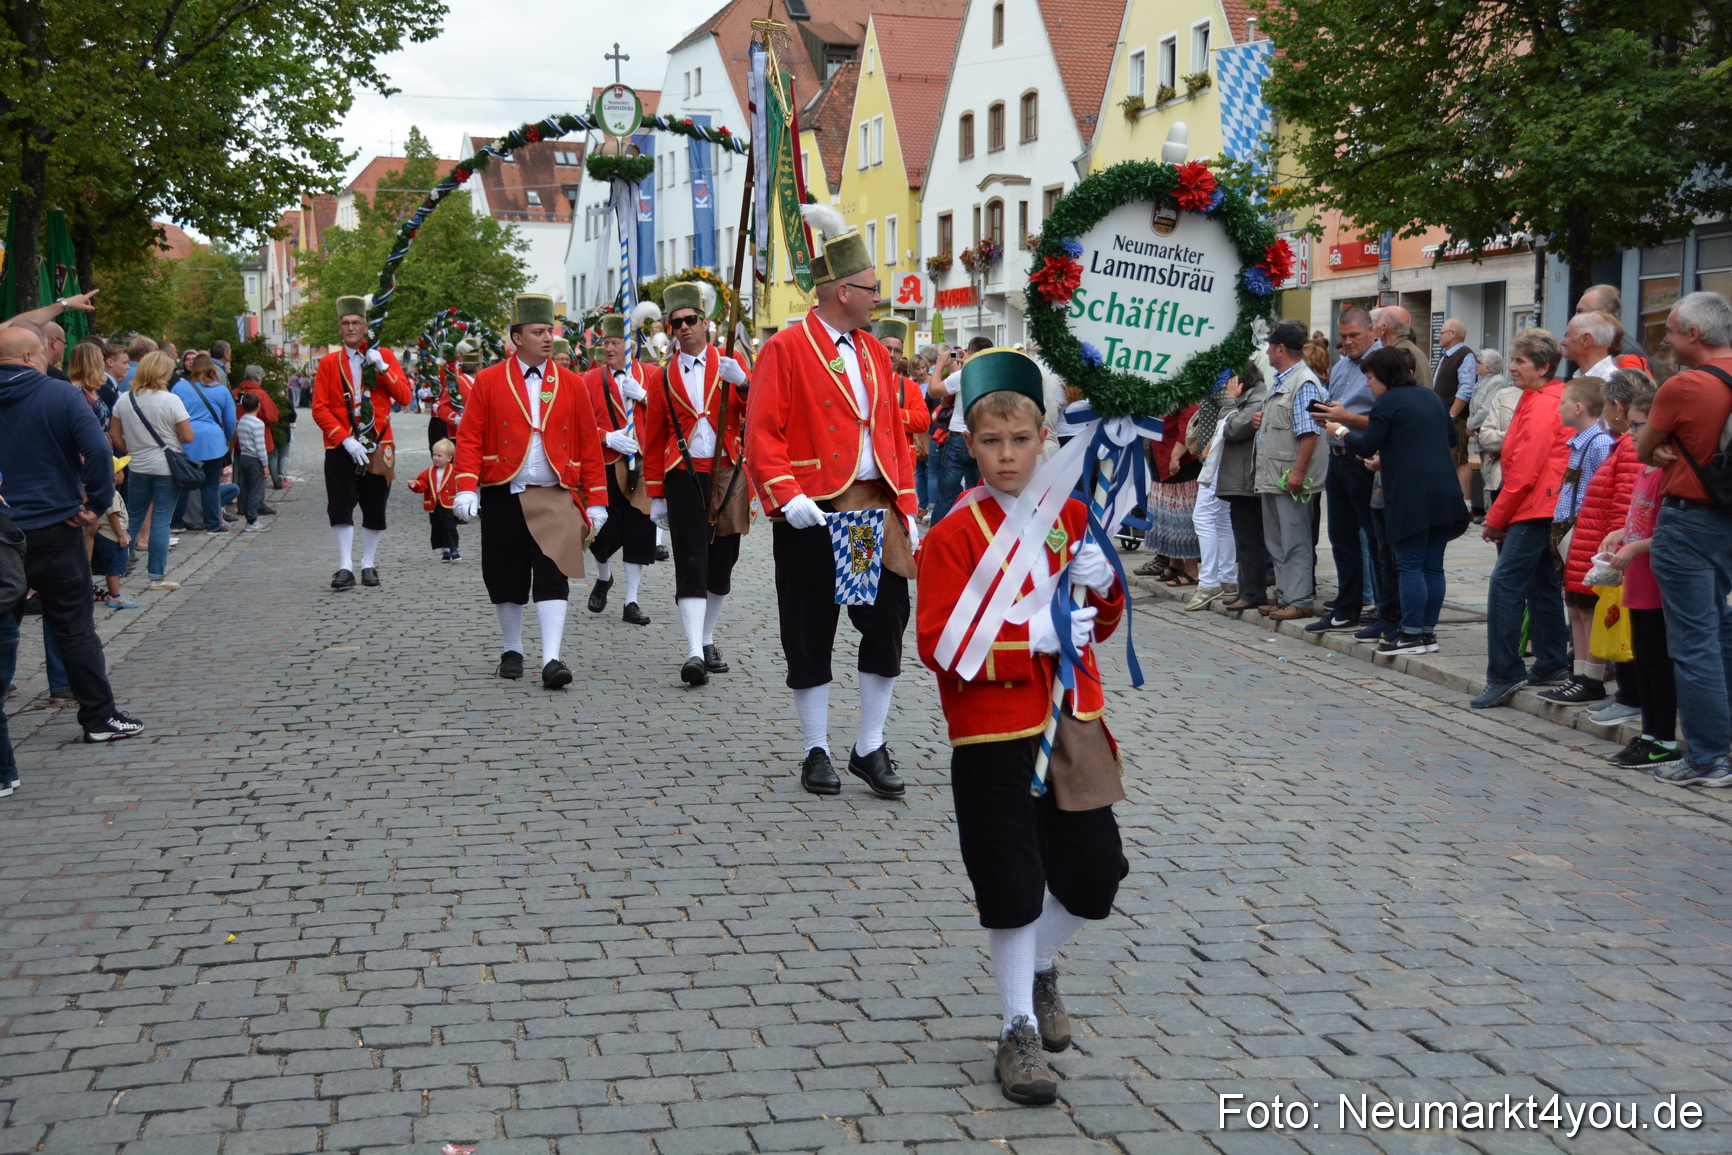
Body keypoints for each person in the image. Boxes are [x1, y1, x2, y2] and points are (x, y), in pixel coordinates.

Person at [914, 349, 1128, 1106]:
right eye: (991, 442)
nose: (1007, 456)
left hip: (1070, 721)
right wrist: (1025, 641)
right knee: (1010, 883)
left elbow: (1092, 623)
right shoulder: (951, 535)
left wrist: (1103, 593)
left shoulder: (1071, 516)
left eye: (1021, 440)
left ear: (1045, 439)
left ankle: (1038, 966)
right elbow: (940, 643)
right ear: (970, 446)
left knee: (1097, 872)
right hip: (991, 731)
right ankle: (1016, 1028)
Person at [744, 221, 918, 799]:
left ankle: (869, 744)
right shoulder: (784, 348)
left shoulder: (875, 353)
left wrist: (907, 503)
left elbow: (891, 434)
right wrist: (785, 494)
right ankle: (814, 747)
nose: (879, 299)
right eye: (871, 288)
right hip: (812, 510)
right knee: (809, 627)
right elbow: (762, 431)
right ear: (842, 290)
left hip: (869, 508)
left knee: (886, 620)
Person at [452, 293, 608, 690]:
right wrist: (466, 487)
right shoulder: (488, 381)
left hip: (556, 493)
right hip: (503, 491)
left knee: (553, 573)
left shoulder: (571, 384)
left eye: (549, 331)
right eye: (538, 331)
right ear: (516, 337)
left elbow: (590, 446)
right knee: (505, 574)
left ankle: (552, 658)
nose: (547, 338)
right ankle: (512, 648)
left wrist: (597, 500)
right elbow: (469, 438)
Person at [0, 326, 144, 743]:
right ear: (30, 357)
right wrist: (95, 505)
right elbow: (101, 451)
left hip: (3, 530)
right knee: (74, 626)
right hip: (55, 527)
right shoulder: (59, 393)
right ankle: (99, 717)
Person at [1635, 290, 1732, 785]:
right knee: (1722, 630)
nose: (1667, 341)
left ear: (1694, 335)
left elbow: (1641, 446)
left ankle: (1709, 757)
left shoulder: (1685, 385)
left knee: (1694, 642)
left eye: (1671, 331)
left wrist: (1663, 445)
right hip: (1728, 516)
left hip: (1690, 517)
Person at [1321, 346, 1463, 655]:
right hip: (1445, 493)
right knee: (1432, 566)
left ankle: (1411, 634)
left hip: (1412, 496)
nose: (1368, 384)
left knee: (1410, 565)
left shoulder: (1388, 402)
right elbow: (1450, 439)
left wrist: (1340, 430)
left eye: (1370, 377)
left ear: (1385, 376)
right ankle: (1426, 633)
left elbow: (1366, 444)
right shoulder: (1431, 397)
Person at [645, 285, 753, 682]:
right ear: (669, 329)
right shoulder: (662, 377)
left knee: (723, 564)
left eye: (691, 320)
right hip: (682, 473)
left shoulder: (730, 362)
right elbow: (653, 436)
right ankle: (693, 651)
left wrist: (743, 382)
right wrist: (655, 494)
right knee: (691, 560)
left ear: (705, 322)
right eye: (677, 323)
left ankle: (707, 636)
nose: (685, 327)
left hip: (728, 472)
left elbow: (759, 410)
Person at [1472, 329, 1572, 708]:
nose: (1511, 367)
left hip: (1537, 506)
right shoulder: (1541, 397)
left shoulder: (1545, 403)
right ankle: (1550, 661)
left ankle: (1505, 671)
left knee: (1505, 586)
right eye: (1513, 360)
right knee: (1540, 584)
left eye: (1520, 362)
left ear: (1543, 367)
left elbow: (1525, 471)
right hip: (1542, 503)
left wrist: (1495, 518)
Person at [1555, 370, 1653, 722]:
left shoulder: (1627, 445)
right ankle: (1609, 686)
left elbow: (1626, 500)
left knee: (1614, 621)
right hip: (1600, 538)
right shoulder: (1622, 442)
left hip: (1611, 544)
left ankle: (1624, 693)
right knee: (1591, 614)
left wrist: (1616, 541)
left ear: (1616, 406)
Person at [1598, 393, 1679, 766]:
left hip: (1657, 579)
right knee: (1643, 657)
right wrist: (1620, 534)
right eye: (1628, 424)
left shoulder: (1668, 471)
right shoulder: (1645, 469)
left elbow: (1669, 531)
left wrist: (1636, 547)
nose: (1629, 433)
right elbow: (1639, 518)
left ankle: (1663, 738)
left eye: (1637, 425)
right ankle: (1648, 734)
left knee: (1658, 660)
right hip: (1637, 580)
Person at [312, 295, 413, 589]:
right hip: (340, 446)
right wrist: (344, 439)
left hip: (379, 443)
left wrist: (382, 367)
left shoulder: (385, 356)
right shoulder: (330, 363)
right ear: (339, 328)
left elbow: (405, 398)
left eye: (356, 322)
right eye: (345, 323)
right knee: (340, 504)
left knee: (375, 505)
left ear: (365, 326)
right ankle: (345, 565)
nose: (351, 327)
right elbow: (319, 407)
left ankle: (368, 562)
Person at [1538, 376, 1616, 705]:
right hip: (1571, 532)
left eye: (1563, 403)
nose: (1558, 409)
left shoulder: (1598, 443)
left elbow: (1601, 496)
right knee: (1576, 608)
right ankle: (1579, 673)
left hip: (1585, 534)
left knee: (1587, 608)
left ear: (1579, 408)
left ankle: (1591, 677)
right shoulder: (1579, 442)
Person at [583, 315, 660, 627]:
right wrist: (606, 437)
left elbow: (673, 416)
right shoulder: (588, 381)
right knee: (597, 534)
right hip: (604, 466)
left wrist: (644, 396)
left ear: (632, 346)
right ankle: (604, 576)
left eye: (615, 343)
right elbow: (580, 424)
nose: (609, 349)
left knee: (639, 533)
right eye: (606, 343)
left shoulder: (653, 376)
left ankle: (632, 600)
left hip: (641, 468)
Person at [1256, 319, 1330, 620]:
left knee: (1295, 539)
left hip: (1290, 477)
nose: (1268, 352)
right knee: (1277, 540)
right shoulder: (1284, 380)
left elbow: (1309, 432)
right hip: (1275, 475)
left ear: (1280, 349)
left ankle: (1299, 599)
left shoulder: (1303, 381)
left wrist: (1299, 472)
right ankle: (1285, 596)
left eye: (1270, 347)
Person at [1309, 305, 1376, 632]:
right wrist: (1324, 416)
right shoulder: (1340, 367)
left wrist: (1345, 418)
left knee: (1375, 538)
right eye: (1344, 336)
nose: (1349, 342)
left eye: (1355, 336)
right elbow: (1336, 409)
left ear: (1372, 331)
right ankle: (1346, 606)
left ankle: (1381, 607)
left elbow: (1387, 418)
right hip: (1337, 456)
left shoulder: (1380, 364)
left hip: (1365, 457)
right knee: (1341, 537)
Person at [112, 351, 194, 591]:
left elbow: (115, 434)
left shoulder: (125, 399)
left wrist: (132, 450)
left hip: (138, 466)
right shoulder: (170, 400)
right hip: (167, 468)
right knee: (161, 519)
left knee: (134, 517)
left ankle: (118, 566)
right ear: (163, 373)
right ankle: (157, 576)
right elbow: (187, 436)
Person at [1218, 362, 1270, 612]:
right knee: (1243, 539)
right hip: (1238, 479)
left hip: (1246, 480)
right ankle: (1245, 589)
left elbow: (1231, 428)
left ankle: (1253, 592)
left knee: (1250, 540)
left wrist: (1230, 401)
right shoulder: (1249, 397)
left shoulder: (1257, 397)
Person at [172, 353, 237, 535]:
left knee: (184, 483)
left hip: (187, 439)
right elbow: (231, 421)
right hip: (213, 441)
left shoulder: (180, 387)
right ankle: (212, 524)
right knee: (210, 484)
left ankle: (177, 523)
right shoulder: (222, 390)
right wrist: (225, 438)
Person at [1186, 383, 1238, 610]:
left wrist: (1211, 444)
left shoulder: (1226, 380)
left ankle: (1209, 582)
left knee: (1204, 517)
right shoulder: (1219, 378)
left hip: (1218, 457)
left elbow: (1231, 415)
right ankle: (1226, 577)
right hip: (1218, 456)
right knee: (1221, 518)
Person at [932, 337, 993, 520]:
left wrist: (940, 364)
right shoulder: (995, 374)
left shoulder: (963, 375)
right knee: (979, 493)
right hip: (983, 438)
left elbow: (933, 391)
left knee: (947, 495)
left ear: (971, 353)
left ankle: (937, 538)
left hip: (959, 438)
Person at [1434, 319, 1479, 504]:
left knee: (1459, 458)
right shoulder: (1447, 356)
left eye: (1442, 332)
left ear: (1453, 334)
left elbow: (1466, 389)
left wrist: (1452, 415)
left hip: (1455, 418)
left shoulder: (1464, 355)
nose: (1439, 335)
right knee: (1448, 457)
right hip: (1443, 416)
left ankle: (1464, 504)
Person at [1466, 348, 1513, 516]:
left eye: (1479, 362)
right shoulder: (1483, 382)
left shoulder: (1497, 382)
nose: (1476, 365)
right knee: (1486, 474)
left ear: (1488, 367)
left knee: (1490, 473)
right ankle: (1488, 511)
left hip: (1489, 435)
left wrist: (1470, 425)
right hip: (1480, 434)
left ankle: (1491, 512)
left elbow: (1486, 409)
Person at [234, 366, 282, 511]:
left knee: (242, 475)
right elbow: (272, 416)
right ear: (258, 379)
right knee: (259, 476)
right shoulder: (260, 394)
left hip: (239, 440)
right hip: (261, 438)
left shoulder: (236, 392)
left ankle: (242, 504)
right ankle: (257, 505)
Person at [92, 455, 135, 609]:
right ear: (115, 475)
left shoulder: (104, 491)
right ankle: (114, 596)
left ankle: (114, 594)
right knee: (114, 568)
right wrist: (120, 535)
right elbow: (113, 516)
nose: (124, 474)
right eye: (122, 471)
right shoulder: (111, 494)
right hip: (111, 536)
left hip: (109, 534)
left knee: (113, 567)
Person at [409, 437, 461, 560]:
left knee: (449, 527)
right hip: (434, 505)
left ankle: (453, 548)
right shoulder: (428, 472)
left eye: (439, 456)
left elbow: (461, 484)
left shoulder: (455, 471)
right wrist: (414, 484)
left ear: (449, 458)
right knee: (438, 527)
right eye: (434, 455)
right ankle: (445, 551)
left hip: (449, 505)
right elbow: (423, 484)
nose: (436, 458)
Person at [1370, 306, 1434, 391]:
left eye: (1375, 324)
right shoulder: (1412, 351)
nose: (1373, 329)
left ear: (1383, 328)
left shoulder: (1398, 355)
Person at [234, 391, 270, 531]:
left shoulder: (242, 420)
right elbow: (260, 445)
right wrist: (265, 465)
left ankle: (246, 512)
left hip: (243, 456)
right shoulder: (258, 423)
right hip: (254, 458)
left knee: (246, 487)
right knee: (256, 490)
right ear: (259, 405)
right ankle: (252, 520)